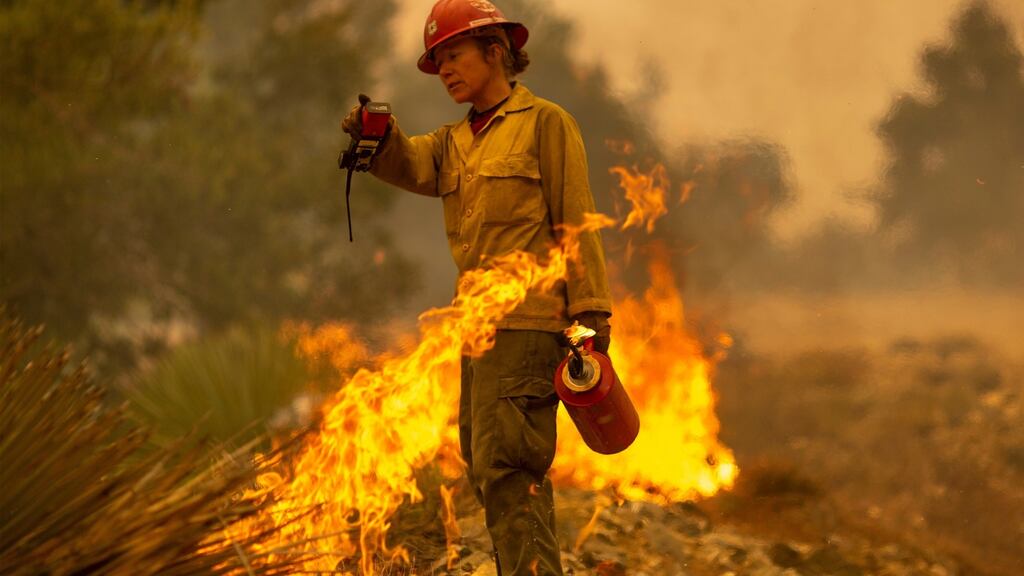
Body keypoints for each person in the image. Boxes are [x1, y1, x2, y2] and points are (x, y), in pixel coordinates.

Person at [343, 1, 611, 573]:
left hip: (528, 325)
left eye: (454, 54)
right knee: (487, 466)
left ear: (496, 51)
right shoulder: (456, 141)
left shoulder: (545, 123)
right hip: (478, 330)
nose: (444, 69)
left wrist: (591, 313)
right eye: (437, 60)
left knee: (511, 470)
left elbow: (577, 220)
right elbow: (412, 165)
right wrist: (380, 137)